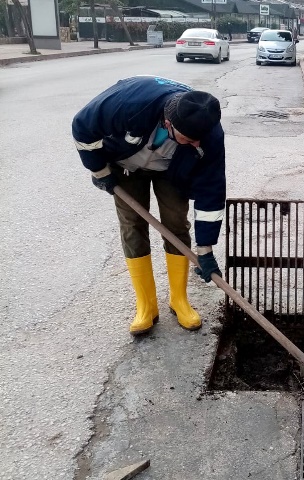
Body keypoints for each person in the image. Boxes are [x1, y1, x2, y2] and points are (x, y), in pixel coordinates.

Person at [72, 76, 225, 336]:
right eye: (189, 139)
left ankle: (179, 299)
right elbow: (83, 128)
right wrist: (99, 170)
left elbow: (211, 191)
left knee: (176, 223)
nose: (197, 144)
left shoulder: (207, 132)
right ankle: (146, 305)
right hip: (125, 165)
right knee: (132, 224)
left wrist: (206, 250)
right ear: (168, 123)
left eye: (199, 139)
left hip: (172, 169)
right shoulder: (129, 104)